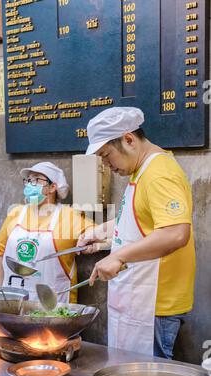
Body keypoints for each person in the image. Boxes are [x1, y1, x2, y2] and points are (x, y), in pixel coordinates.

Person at [78, 107, 195, 359]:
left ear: (128, 139)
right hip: (140, 297)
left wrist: (119, 257)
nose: (107, 166)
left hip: (155, 303)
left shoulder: (159, 174)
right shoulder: (141, 171)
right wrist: (100, 234)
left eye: (107, 156)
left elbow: (175, 233)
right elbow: (140, 222)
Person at [0, 162, 94, 303]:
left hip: (54, 307)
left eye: (36, 179)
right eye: (28, 180)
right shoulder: (16, 213)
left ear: (52, 187)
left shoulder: (70, 216)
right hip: (12, 302)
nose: (30, 184)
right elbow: (0, 256)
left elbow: (101, 234)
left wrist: (92, 241)